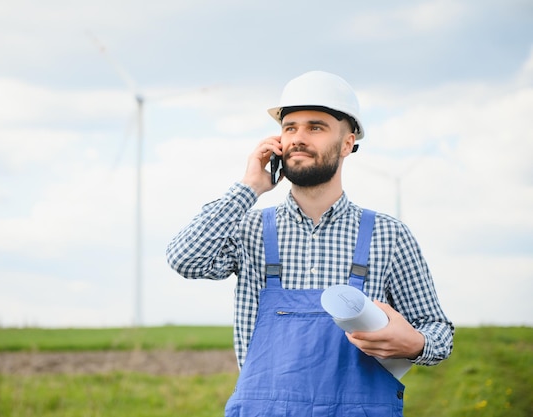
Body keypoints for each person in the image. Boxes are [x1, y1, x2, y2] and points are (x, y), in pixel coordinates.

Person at [166, 71, 454, 416]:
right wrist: (249, 187)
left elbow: (439, 333)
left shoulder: (388, 235)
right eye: (290, 128)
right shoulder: (250, 229)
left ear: (347, 143)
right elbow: (184, 258)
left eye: (315, 127)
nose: (298, 138)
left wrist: (416, 343)